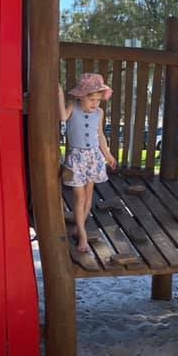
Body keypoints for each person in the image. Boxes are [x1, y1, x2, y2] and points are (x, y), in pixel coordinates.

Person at [58, 73, 117, 253]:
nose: (95, 103)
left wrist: (107, 155)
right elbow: (62, 116)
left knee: (89, 196)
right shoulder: (72, 107)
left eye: (98, 100)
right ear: (80, 96)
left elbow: (100, 135)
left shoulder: (99, 113)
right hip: (77, 158)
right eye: (91, 99)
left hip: (94, 157)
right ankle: (82, 235)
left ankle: (79, 226)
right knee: (79, 196)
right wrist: (59, 93)